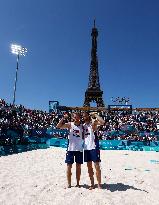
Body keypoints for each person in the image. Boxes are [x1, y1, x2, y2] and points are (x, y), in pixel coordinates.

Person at [57, 112, 84, 188]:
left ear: (79, 117)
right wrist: (63, 118)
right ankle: (69, 184)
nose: (75, 118)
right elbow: (58, 126)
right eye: (74, 117)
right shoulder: (70, 124)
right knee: (69, 166)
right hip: (70, 149)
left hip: (79, 149)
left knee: (78, 167)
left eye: (76, 117)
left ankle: (78, 183)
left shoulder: (82, 126)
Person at [82, 111, 105, 190]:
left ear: (88, 116)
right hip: (86, 148)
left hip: (94, 147)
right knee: (89, 167)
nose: (84, 117)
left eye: (85, 116)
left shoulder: (93, 123)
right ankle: (92, 183)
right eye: (83, 116)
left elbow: (102, 122)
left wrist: (95, 114)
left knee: (97, 166)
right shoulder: (83, 126)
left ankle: (99, 184)